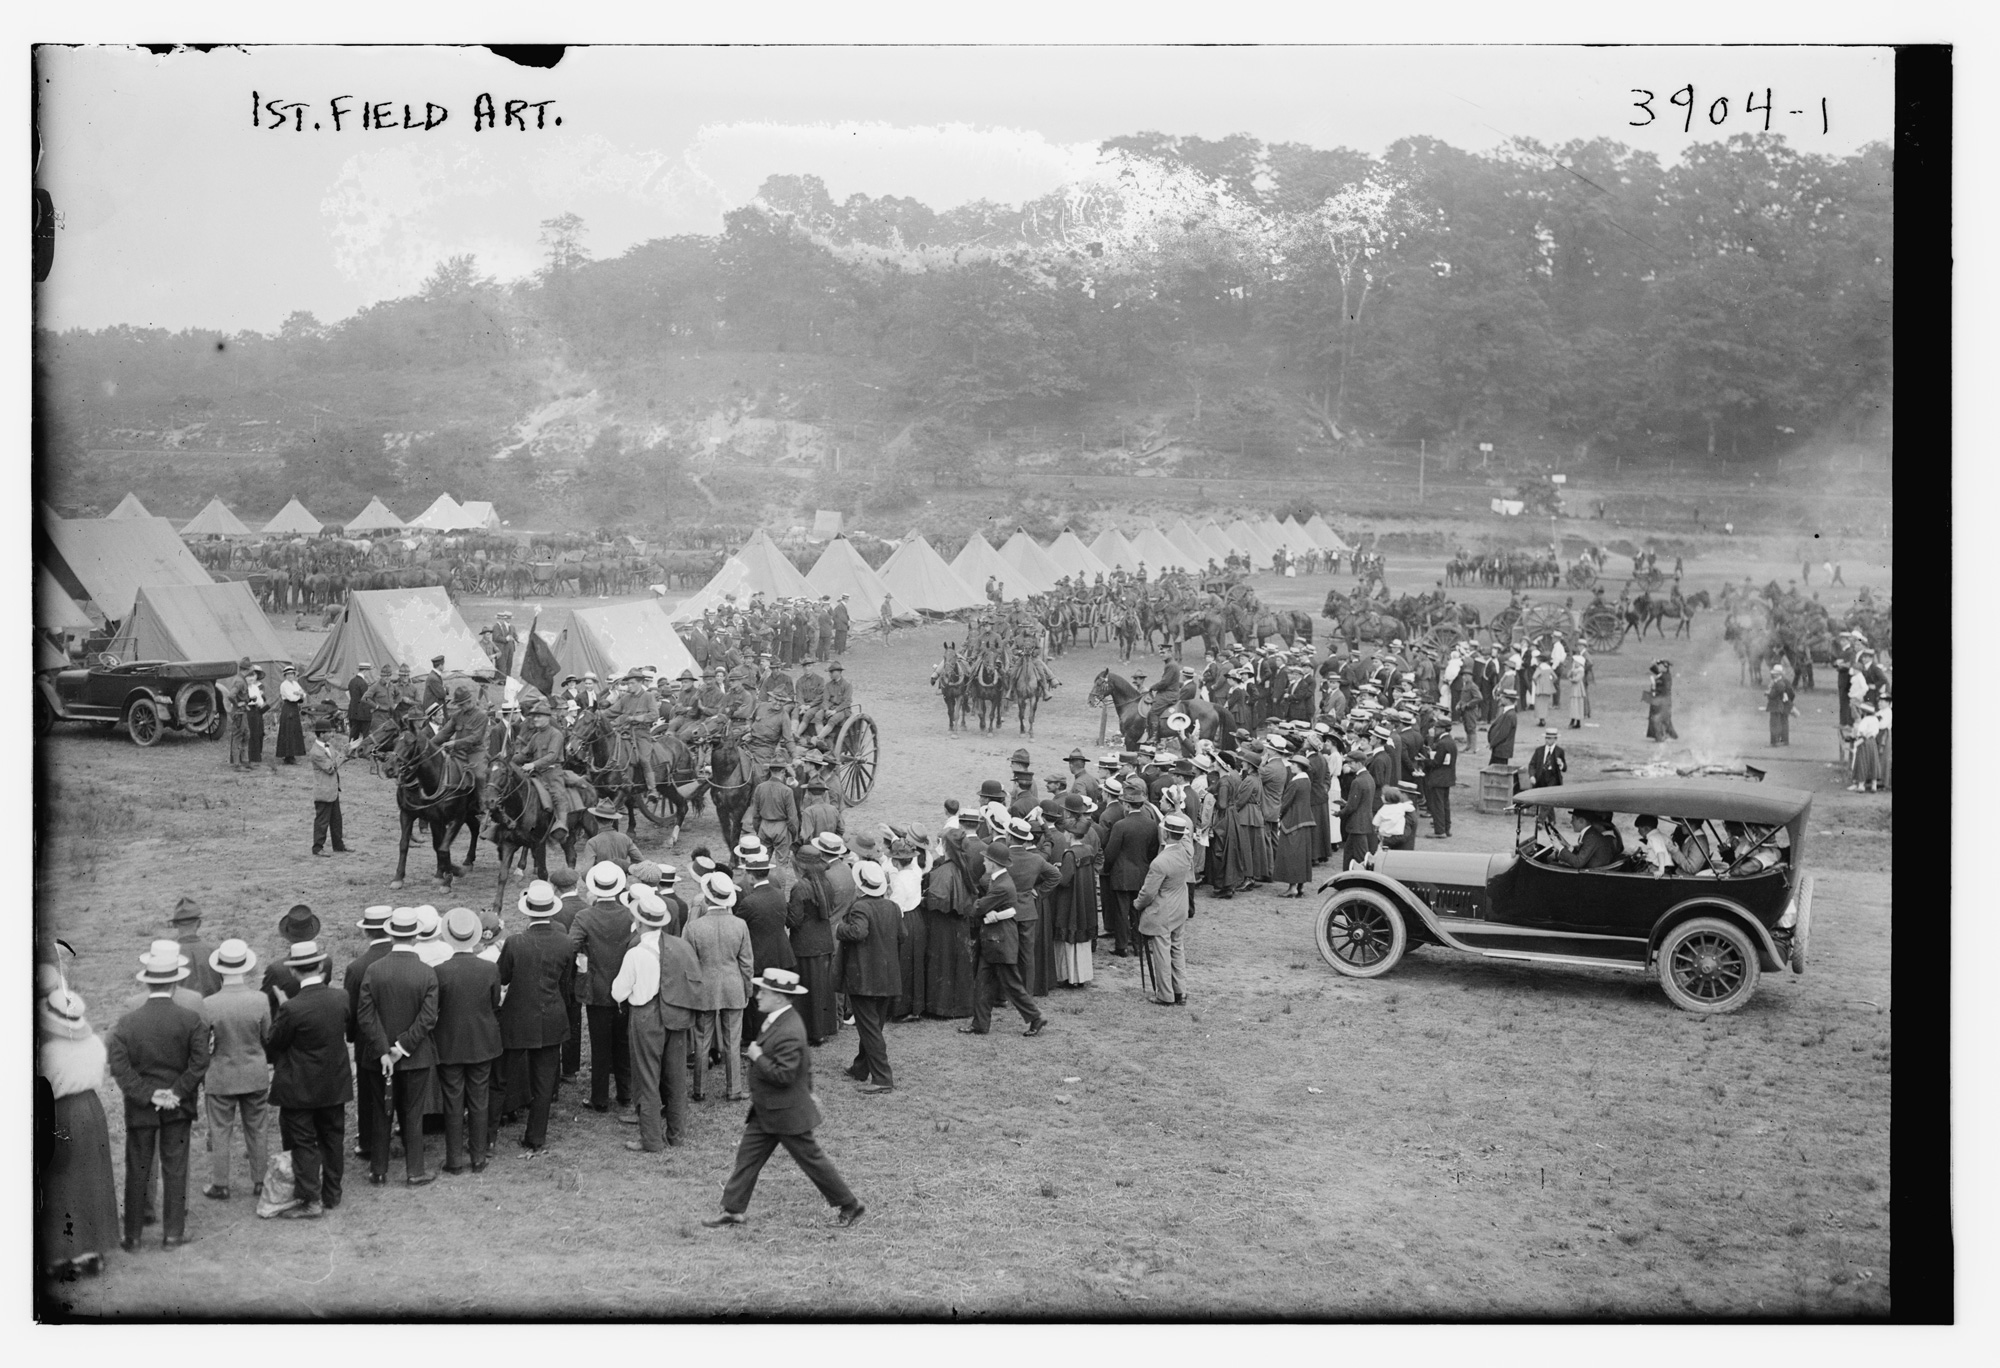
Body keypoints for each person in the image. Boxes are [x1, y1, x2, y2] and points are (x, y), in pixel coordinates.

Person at [702, 968, 866, 1230]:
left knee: (812, 1160)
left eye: (763, 992)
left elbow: (785, 1075)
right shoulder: (779, 1019)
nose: (758, 996)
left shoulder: (788, 1028)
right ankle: (732, 1210)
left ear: (779, 997)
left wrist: (757, 1057)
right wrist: (809, 1090)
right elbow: (805, 1065)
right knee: (747, 1157)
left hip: (785, 1112)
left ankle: (849, 1204)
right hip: (769, 1110)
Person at [107, 943, 212, 1252]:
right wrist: (175, 1093)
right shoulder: (190, 1019)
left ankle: (134, 1237)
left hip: (140, 1109)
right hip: (178, 1107)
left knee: (137, 1167)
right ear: (175, 981)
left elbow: (119, 1067)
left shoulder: (126, 1023)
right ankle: (173, 1235)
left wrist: (148, 1095)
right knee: (175, 1167)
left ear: (146, 981)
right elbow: (200, 1062)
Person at [264, 940, 352, 1219]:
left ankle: (311, 1199)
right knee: (333, 1137)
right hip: (334, 1082)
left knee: (303, 1143)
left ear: (294, 973)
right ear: (321, 967)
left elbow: (274, 1042)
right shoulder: (342, 998)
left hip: (299, 1086)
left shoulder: (292, 1009)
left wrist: (281, 1009)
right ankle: (332, 1194)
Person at [37, 987, 121, 1278]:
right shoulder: (94, 1043)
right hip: (91, 1111)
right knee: (92, 1179)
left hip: (59, 1111)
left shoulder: (47, 1050)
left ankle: (61, 1255)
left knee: (58, 1180)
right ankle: (91, 1252)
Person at [615, 888, 702, 1153]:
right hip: (676, 1013)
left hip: (646, 1016)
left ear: (640, 922)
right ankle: (676, 1135)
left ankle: (651, 1139)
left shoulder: (636, 953)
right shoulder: (680, 946)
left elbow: (618, 991)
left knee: (647, 1077)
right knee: (675, 1077)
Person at [357, 908, 440, 1187]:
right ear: (416, 935)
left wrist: (383, 1050)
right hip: (415, 1057)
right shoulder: (426, 973)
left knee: (381, 1113)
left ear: (391, 934)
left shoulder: (373, 970)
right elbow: (428, 1018)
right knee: (413, 1114)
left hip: (378, 1059)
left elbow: (365, 1015)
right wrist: (401, 1047)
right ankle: (414, 1171)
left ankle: (378, 1170)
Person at [496, 881, 575, 1154]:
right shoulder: (565, 942)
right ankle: (535, 1137)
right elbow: (566, 983)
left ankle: (487, 1134)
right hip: (551, 1017)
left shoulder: (515, 942)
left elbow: (502, 977)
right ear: (551, 910)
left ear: (528, 911)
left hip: (517, 1019)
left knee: (500, 1078)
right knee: (543, 1084)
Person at [198, 940, 271, 1202]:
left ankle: (221, 1183)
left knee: (220, 1130)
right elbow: (267, 1037)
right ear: (245, 967)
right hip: (254, 1073)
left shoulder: (208, 1004)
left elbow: (203, 1045)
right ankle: (260, 1181)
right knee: (258, 1128)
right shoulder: (260, 999)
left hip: (221, 1075)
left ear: (220, 969)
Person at [432, 909, 502, 1175]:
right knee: (479, 1099)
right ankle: (478, 1157)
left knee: (452, 1100)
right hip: (483, 1042)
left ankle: (454, 1160)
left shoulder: (440, 971)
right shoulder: (489, 968)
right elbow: (494, 1003)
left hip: (449, 1043)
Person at [568, 862, 637, 1115]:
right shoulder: (630, 914)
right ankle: (626, 1092)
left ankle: (599, 1098)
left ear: (595, 889)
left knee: (599, 1046)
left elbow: (570, 946)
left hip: (596, 990)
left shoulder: (584, 917)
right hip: (626, 988)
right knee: (623, 1042)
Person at [960, 844, 1047, 1037]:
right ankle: (980, 1024)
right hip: (996, 941)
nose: (983, 861)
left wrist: (985, 909)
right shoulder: (1001, 880)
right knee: (983, 982)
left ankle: (1035, 1016)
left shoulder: (1001, 886)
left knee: (1012, 985)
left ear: (993, 863)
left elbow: (977, 907)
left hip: (1000, 942)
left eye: (986, 860)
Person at [838, 860, 907, 1092]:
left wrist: (840, 929)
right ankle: (860, 1068)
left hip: (864, 978)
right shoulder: (893, 907)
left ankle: (882, 1079)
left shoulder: (860, 907)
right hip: (887, 977)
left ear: (861, 886)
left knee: (870, 1028)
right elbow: (902, 935)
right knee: (873, 1026)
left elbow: (858, 932)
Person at [686, 871, 755, 1103]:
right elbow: (746, 963)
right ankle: (734, 1088)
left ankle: (699, 1089)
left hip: (704, 989)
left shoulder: (694, 927)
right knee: (732, 1041)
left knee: (701, 1040)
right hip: (733, 986)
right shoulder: (739, 925)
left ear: (707, 898)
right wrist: (747, 989)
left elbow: (689, 963)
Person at [786, 835, 849, 1045]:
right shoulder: (826, 881)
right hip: (824, 941)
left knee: (807, 990)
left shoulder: (800, 887)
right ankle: (825, 1027)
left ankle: (811, 1032)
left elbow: (794, 920)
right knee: (822, 988)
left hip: (804, 944)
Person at [1134, 812, 1196, 1004]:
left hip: (1163, 911)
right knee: (1177, 950)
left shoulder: (1160, 862)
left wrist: (1137, 904)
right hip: (1180, 907)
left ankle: (1165, 995)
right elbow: (1185, 836)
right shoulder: (1187, 851)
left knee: (1162, 954)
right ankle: (1180, 991)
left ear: (1166, 834)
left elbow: (1148, 893)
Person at [1101, 779, 1158, 958]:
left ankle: (1122, 946)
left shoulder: (1121, 825)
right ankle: (1138, 944)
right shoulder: (1151, 823)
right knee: (1138, 911)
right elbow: (1152, 850)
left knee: (1121, 911)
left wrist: (1107, 868)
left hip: (1121, 874)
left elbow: (1110, 853)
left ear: (1126, 804)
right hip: (1142, 873)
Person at [1272, 758, 1316, 897]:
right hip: (1306, 819)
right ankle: (1300, 886)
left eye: (1293, 764)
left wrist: (1279, 815)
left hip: (1292, 821)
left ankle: (1292, 888)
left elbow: (1286, 803)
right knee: (1302, 854)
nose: (1291, 766)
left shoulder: (1295, 782)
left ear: (1299, 767)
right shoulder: (1306, 781)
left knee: (1291, 854)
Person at [309, 716, 352, 856]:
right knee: (322, 821)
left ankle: (338, 845)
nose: (331, 734)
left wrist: (346, 754)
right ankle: (317, 848)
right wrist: (343, 755)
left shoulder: (329, 746)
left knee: (336, 820)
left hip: (332, 790)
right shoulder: (315, 752)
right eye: (328, 732)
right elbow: (330, 768)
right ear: (321, 734)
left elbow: (337, 760)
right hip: (323, 791)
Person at [751, 762, 802, 857]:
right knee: (782, 862)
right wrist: (794, 835)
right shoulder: (787, 791)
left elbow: (755, 815)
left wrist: (758, 830)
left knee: (762, 860)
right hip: (781, 828)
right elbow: (792, 818)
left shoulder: (759, 788)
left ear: (770, 770)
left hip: (764, 826)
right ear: (783, 772)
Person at [1337, 751, 1376, 871]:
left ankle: (1364, 879)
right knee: (1349, 853)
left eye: (1351, 762)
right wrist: (1346, 803)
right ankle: (1346, 877)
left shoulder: (1357, 781)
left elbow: (1352, 807)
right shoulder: (1369, 778)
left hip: (1357, 825)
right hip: (1362, 823)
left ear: (1359, 763)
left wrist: (1340, 813)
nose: (1349, 765)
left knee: (1361, 857)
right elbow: (1361, 802)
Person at [1423, 723, 1457, 840]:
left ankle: (1439, 830)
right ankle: (1446, 828)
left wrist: (1425, 760)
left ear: (1442, 729)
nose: (1434, 730)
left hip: (1439, 778)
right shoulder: (1450, 741)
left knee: (1438, 805)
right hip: (1447, 777)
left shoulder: (1442, 743)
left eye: (1436, 728)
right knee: (1445, 804)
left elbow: (1436, 762)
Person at [1557, 809, 1623, 869]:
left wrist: (1560, 848)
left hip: (1591, 873)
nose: (1571, 822)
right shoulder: (1590, 834)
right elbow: (1583, 854)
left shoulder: (1591, 837)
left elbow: (1578, 862)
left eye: (1573, 819)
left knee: (1554, 865)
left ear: (1581, 821)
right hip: (1591, 870)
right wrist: (1567, 845)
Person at [276, 664, 307, 763]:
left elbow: (303, 694)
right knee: (288, 731)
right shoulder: (284, 685)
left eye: (291, 674)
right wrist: (298, 694)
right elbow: (291, 697)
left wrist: (299, 694)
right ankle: (287, 756)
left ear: (294, 675)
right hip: (288, 707)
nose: (290, 676)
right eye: (288, 674)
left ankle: (292, 755)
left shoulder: (295, 683)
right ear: (285, 676)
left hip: (294, 708)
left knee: (294, 730)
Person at [1372, 786, 1417, 852]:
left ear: (1404, 795)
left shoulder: (1407, 813)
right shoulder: (1404, 808)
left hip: (1399, 849)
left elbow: (1403, 836)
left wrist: (1385, 841)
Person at [1766, 670, 1797, 746]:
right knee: (1783, 722)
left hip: (1780, 705)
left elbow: (1773, 695)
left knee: (1776, 723)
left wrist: (1768, 693)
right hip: (1784, 704)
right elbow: (1792, 694)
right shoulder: (1783, 682)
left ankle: (1775, 741)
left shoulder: (1778, 683)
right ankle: (1783, 740)